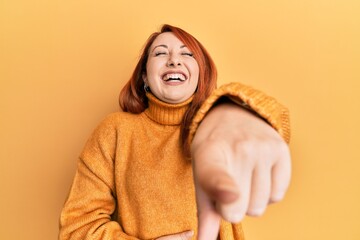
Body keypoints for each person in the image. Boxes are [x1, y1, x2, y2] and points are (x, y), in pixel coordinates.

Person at [59, 24, 291, 240]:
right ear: (144, 76)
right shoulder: (115, 130)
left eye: (187, 54)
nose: (174, 61)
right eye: (160, 53)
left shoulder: (216, 127)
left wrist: (232, 107)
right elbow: (77, 226)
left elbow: (279, 125)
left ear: (200, 73)